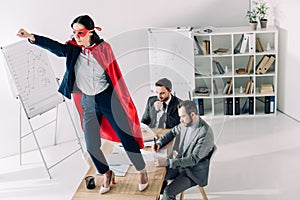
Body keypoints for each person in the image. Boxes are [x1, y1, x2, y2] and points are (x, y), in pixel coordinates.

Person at [17, 15, 149, 194]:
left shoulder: (104, 49)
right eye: (74, 33)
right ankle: (106, 173)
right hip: (88, 101)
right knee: (91, 145)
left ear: (91, 31)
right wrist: (32, 37)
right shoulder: (73, 49)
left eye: (80, 33)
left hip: (107, 98)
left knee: (126, 137)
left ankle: (141, 170)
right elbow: (55, 47)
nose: (77, 36)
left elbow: (114, 73)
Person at [152, 100, 215, 200]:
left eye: (182, 116)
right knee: (157, 175)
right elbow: (172, 132)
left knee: (168, 192)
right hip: (181, 164)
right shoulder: (186, 123)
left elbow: (193, 160)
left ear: (193, 114)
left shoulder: (205, 133)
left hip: (193, 172)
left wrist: (168, 162)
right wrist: (159, 143)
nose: (180, 120)